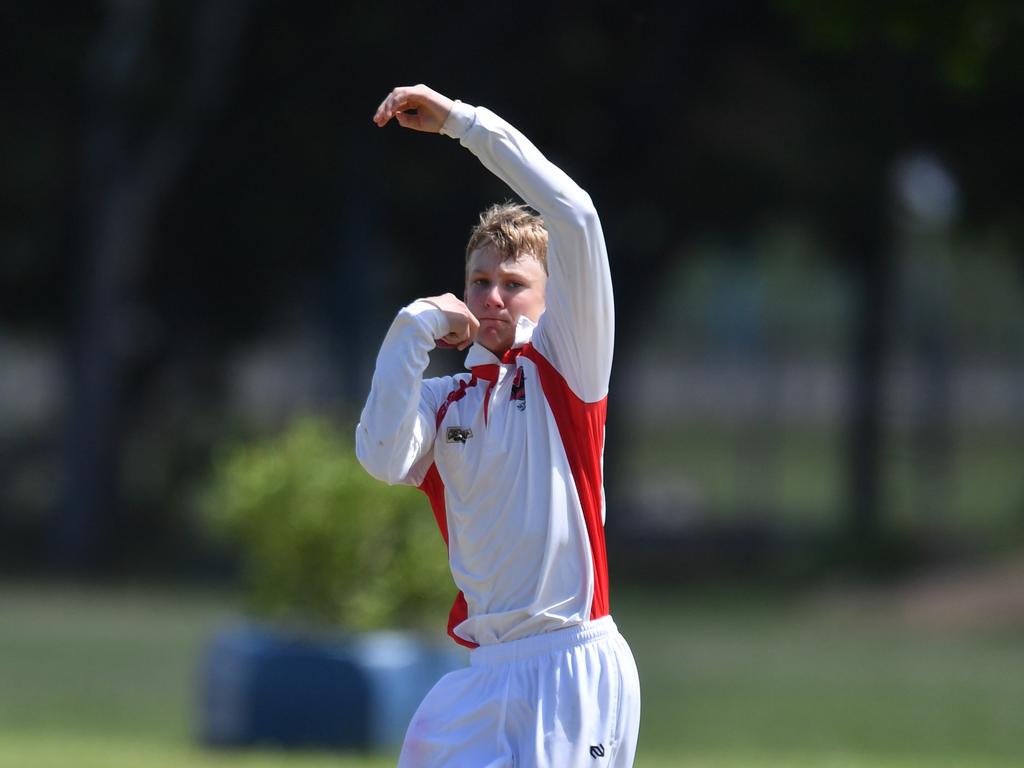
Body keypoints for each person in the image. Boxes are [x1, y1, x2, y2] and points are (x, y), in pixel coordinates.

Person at [356, 84, 641, 768]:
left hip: (574, 667)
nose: (492, 296)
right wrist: (416, 325)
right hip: (483, 676)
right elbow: (381, 457)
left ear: (550, 299)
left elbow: (575, 214)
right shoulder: (445, 398)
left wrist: (462, 123)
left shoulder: (568, 367)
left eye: (513, 283)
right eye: (480, 280)